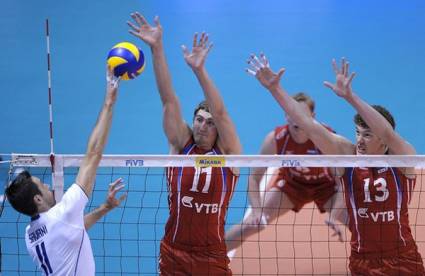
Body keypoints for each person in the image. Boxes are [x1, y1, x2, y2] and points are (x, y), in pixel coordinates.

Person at [247, 54, 425, 275]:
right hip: (363, 261)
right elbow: (308, 125)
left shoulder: (403, 162)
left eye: (367, 135)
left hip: (403, 259)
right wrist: (275, 90)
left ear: (381, 139)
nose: (359, 140)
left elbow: (388, 133)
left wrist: (350, 97)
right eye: (357, 133)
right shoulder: (347, 158)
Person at [128, 12, 242, 275]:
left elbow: (222, 113)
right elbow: (168, 98)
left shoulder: (230, 155)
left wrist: (199, 71)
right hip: (173, 252)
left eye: (209, 122)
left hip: (212, 254)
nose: (203, 125)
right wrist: (156, 48)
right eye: (199, 120)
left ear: (218, 130)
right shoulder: (181, 146)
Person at [5, 67, 126, 275]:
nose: (48, 186)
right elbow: (93, 155)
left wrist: (105, 207)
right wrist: (109, 102)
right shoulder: (63, 214)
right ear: (38, 200)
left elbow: (74, 229)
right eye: (42, 186)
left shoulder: (31, 234)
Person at [225, 91, 347, 253]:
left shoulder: (326, 138)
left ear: (313, 116)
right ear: (286, 115)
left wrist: (334, 216)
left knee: (358, 222)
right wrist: (256, 210)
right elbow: (254, 177)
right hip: (292, 185)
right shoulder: (276, 139)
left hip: (326, 186)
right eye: (292, 113)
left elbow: (343, 183)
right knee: (252, 224)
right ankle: (212, 255)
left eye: (302, 114)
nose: (297, 119)